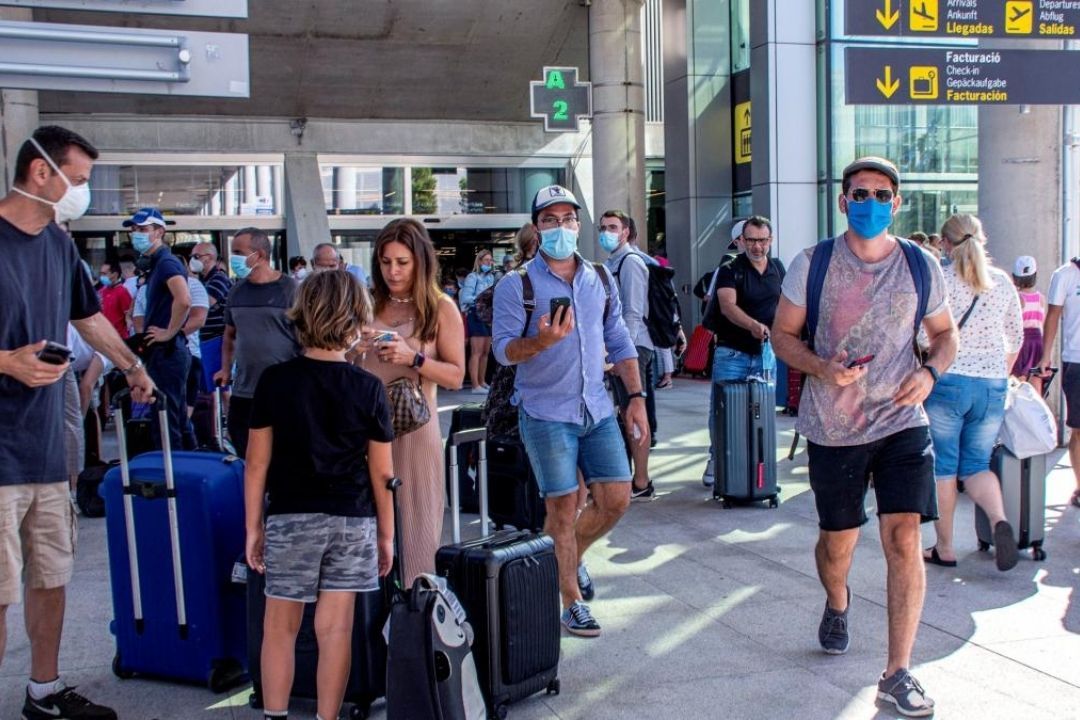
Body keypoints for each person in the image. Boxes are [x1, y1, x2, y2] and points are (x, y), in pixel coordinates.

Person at [771, 157, 957, 718]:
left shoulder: (921, 264)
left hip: (902, 421)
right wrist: (822, 369)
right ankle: (837, 599)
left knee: (903, 538)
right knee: (839, 543)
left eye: (881, 194)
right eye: (860, 193)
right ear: (843, 201)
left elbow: (944, 335)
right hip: (835, 426)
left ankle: (897, 672)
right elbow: (783, 335)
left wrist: (930, 374)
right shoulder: (816, 262)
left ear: (896, 204)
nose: (870, 202)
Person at [1, 125, 154, 720]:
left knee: (50, 575)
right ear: (42, 172)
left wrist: (133, 365)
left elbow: (88, 318)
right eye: (80, 180)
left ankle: (44, 691)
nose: (82, 193)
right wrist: (7, 362)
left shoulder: (58, 245)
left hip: (45, 448)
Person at [492, 185, 647, 638]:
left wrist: (635, 397)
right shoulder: (515, 285)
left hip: (597, 407)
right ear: (536, 228)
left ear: (579, 225)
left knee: (616, 499)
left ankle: (568, 557)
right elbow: (502, 351)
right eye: (550, 220)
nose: (561, 228)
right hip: (545, 412)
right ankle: (570, 602)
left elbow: (617, 338)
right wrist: (541, 342)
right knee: (562, 508)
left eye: (568, 219)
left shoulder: (599, 276)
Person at [244, 270, 395, 720]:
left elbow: (257, 464)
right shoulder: (368, 387)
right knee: (335, 631)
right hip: (352, 518)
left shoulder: (275, 381)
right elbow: (383, 472)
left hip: (291, 516)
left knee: (280, 627)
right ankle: (328, 717)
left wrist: (253, 527)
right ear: (356, 322)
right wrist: (385, 536)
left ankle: (276, 715)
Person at [357, 219, 465, 584]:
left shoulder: (440, 308)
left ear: (420, 261)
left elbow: (455, 376)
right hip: (362, 436)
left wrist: (413, 357)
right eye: (386, 262)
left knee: (418, 542)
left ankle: (415, 630)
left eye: (402, 262)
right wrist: (351, 349)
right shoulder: (366, 303)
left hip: (414, 433)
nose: (393, 271)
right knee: (364, 542)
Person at [921, 215, 1023, 572]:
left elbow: (923, 337)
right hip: (993, 384)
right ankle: (998, 521)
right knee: (977, 464)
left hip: (948, 381)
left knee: (945, 466)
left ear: (945, 245)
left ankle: (945, 547)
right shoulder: (1002, 282)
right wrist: (999, 371)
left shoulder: (942, 281)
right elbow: (1017, 337)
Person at [701, 215, 785, 487]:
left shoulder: (778, 268)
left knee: (762, 411)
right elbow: (727, 305)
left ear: (770, 241)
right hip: (732, 353)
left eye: (762, 241)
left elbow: (787, 304)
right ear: (741, 241)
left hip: (765, 353)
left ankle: (757, 467)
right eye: (751, 240)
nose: (757, 246)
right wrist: (752, 325)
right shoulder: (730, 269)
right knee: (722, 411)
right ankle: (717, 458)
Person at [213, 228, 300, 459]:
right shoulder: (236, 291)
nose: (233, 258)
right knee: (245, 449)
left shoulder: (291, 290)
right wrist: (224, 368)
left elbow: (305, 338)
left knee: (283, 454)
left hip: (284, 390)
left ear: (259, 255)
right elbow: (229, 335)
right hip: (245, 390)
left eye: (239, 252)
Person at [599, 209, 656, 501]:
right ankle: (632, 477)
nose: (606, 232)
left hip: (633, 349)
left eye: (612, 227)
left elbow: (633, 313)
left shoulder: (631, 263)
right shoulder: (613, 263)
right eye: (603, 227)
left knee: (634, 412)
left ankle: (641, 480)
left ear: (626, 232)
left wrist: (623, 357)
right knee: (625, 412)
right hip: (621, 350)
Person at [125, 207, 192, 451]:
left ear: (160, 232)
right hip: (165, 351)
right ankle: (183, 471)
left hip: (168, 351)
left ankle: (173, 475)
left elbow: (184, 299)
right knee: (176, 418)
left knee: (166, 419)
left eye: (143, 229)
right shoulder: (156, 265)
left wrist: (169, 331)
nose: (136, 234)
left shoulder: (166, 262)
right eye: (134, 230)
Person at [1037, 254, 1080, 509]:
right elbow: (1052, 315)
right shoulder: (1065, 274)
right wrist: (1046, 356)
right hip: (1076, 360)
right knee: (1078, 427)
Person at [459, 248, 498, 393]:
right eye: (486, 260)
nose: (489, 263)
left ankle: (482, 382)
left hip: (488, 314)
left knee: (486, 351)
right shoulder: (473, 277)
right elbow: (465, 298)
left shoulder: (491, 278)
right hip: (475, 313)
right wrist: (481, 297)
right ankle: (475, 384)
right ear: (480, 261)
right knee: (477, 351)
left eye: (490, 260)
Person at [1010, 255, 1045, 380]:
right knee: (1036, 378)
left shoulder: (1018, 298)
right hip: (1038, 342)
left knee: (1018, 378)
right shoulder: (1040, 298)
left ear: (1015, 277)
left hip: (1023, 341)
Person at [191, 241, 232, 342]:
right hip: (206, 338)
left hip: (215, 338)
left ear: (209, 257)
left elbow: (204, 303)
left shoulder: (218, 278)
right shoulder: (203, 280)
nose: (192, 260)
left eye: (196, 256)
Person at [97, 259, 132, 338]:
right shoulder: (101, 291)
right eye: (101, 273)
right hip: (102, 336)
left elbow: (129, 316)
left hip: (118, 338)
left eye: (104, 274)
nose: (102, 277)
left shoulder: (122, 292)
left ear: (115, 274)